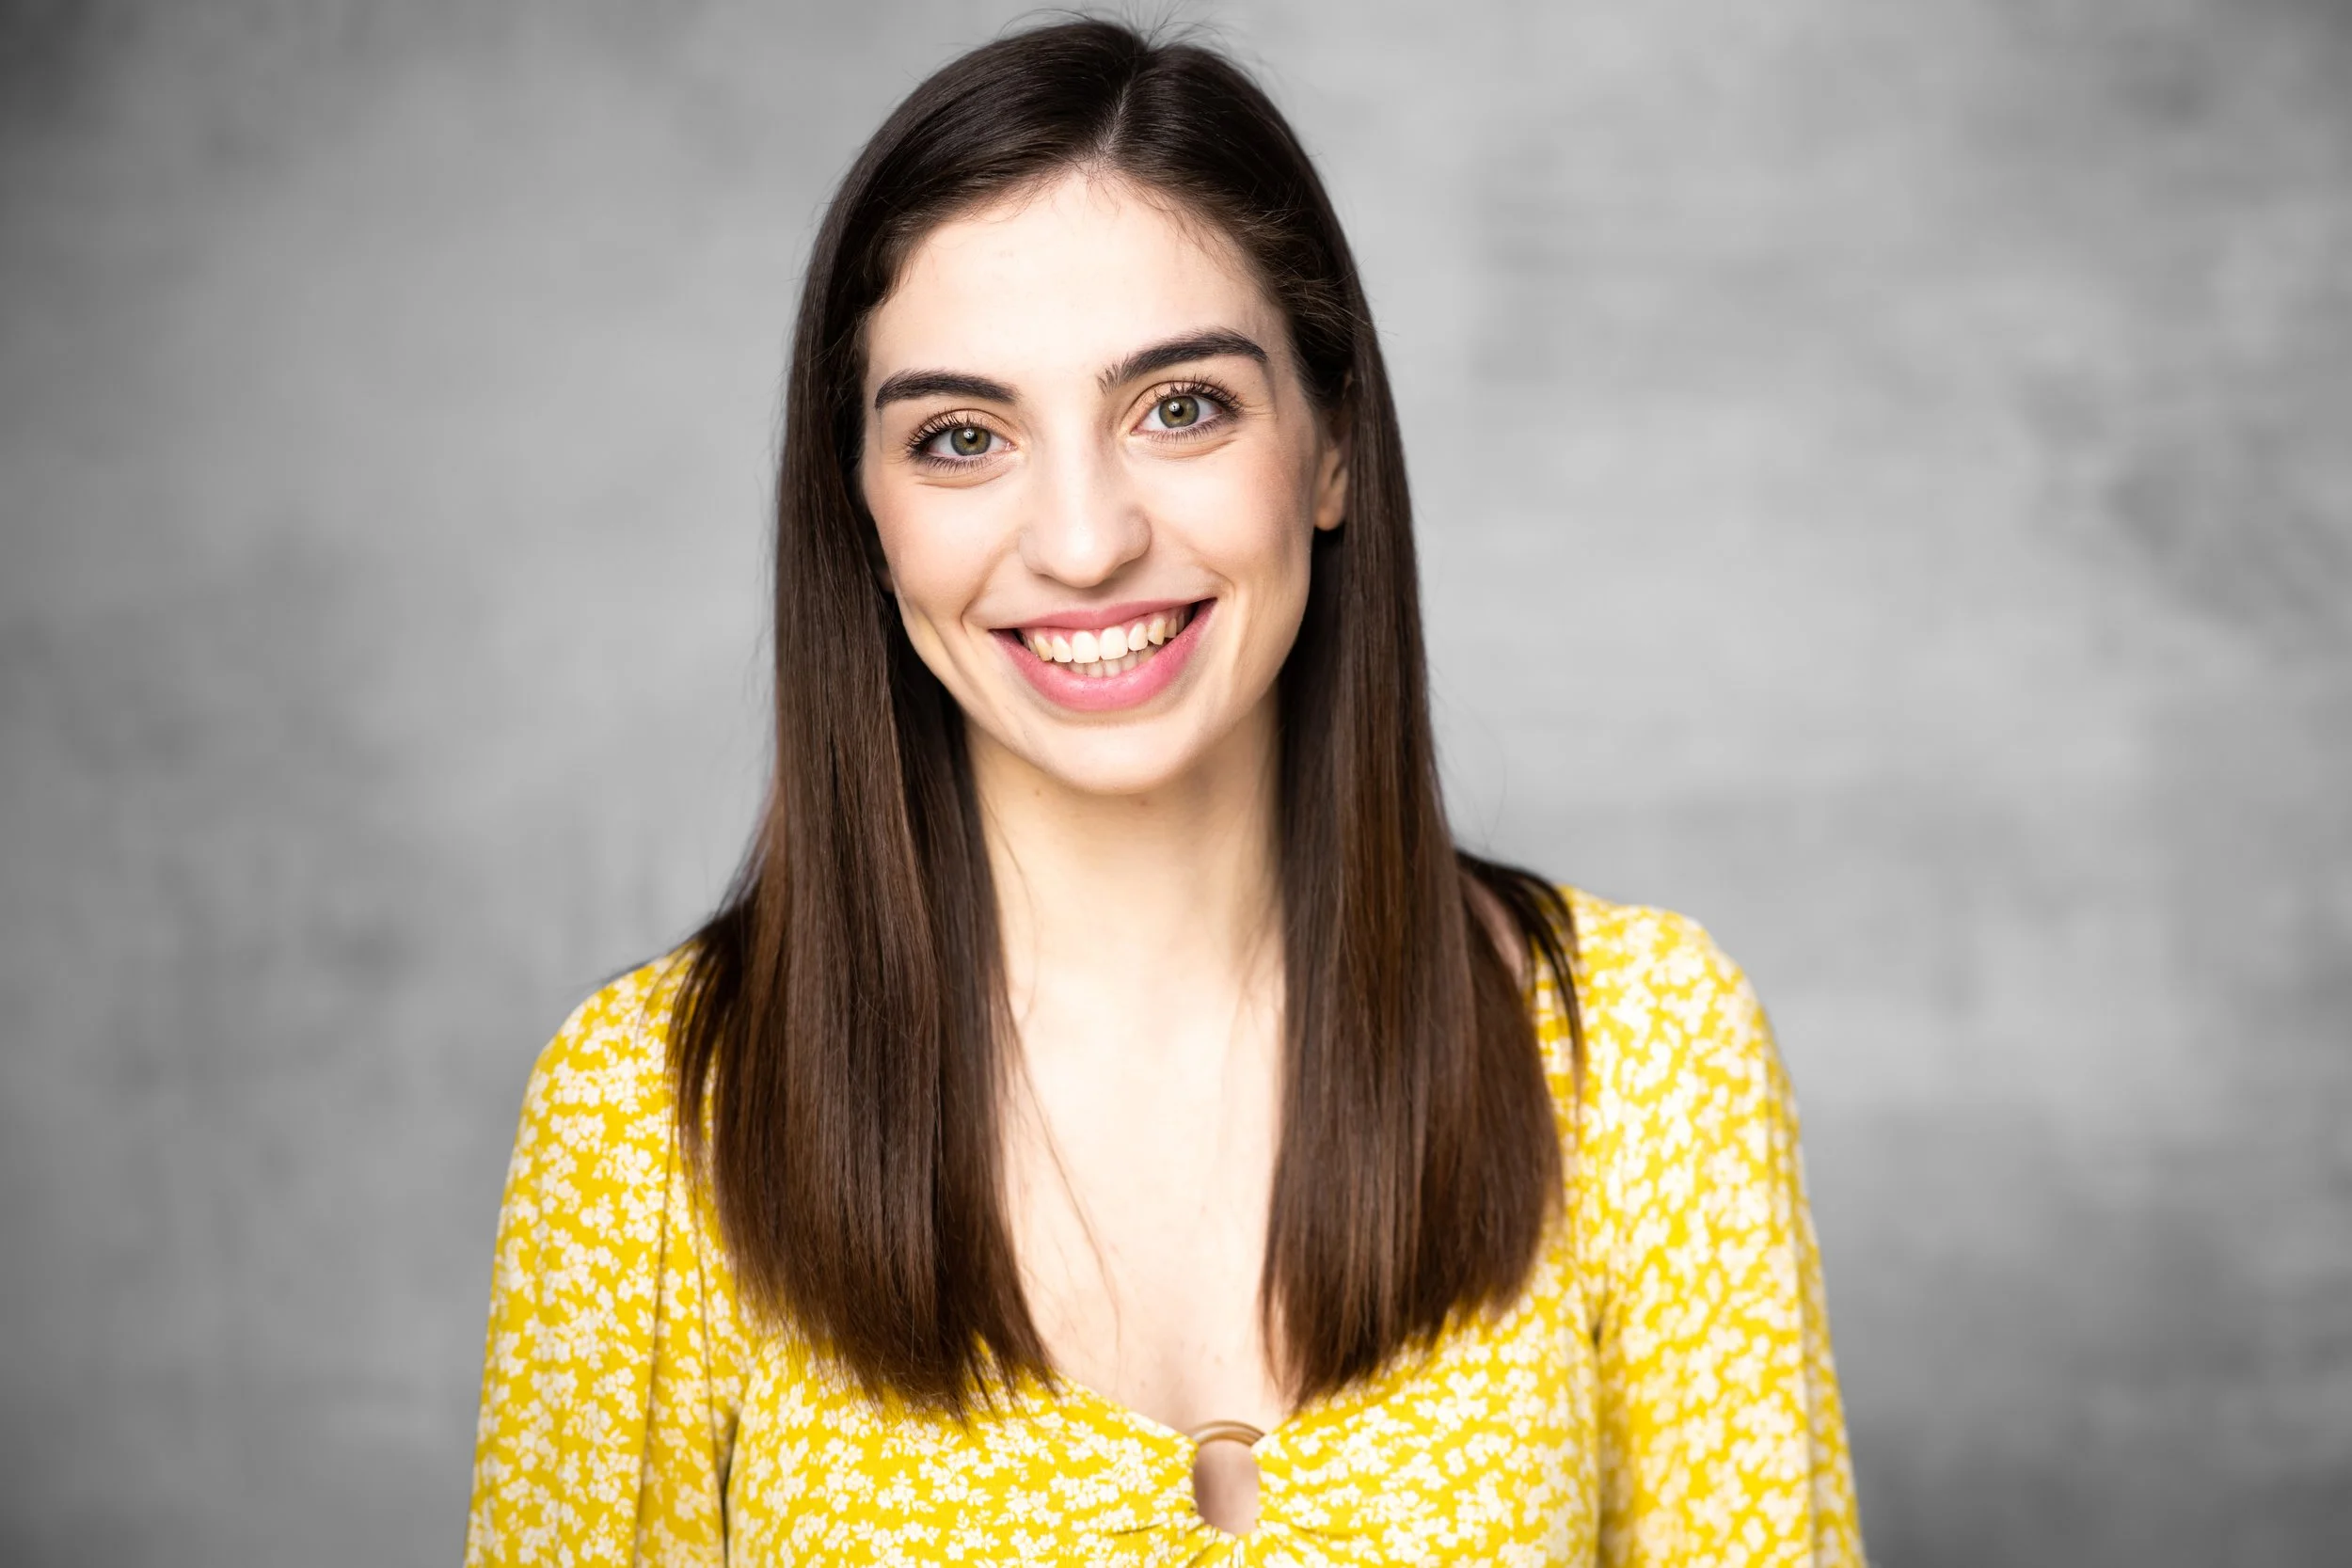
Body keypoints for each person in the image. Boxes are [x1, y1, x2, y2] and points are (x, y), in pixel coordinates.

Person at [466, 18, 1864, 1564]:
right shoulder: (650, 1116)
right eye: (960, 437)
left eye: (1179, 406)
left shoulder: (1649, 1058)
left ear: (1330, 448)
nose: (1081, 540)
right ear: (863, 521)